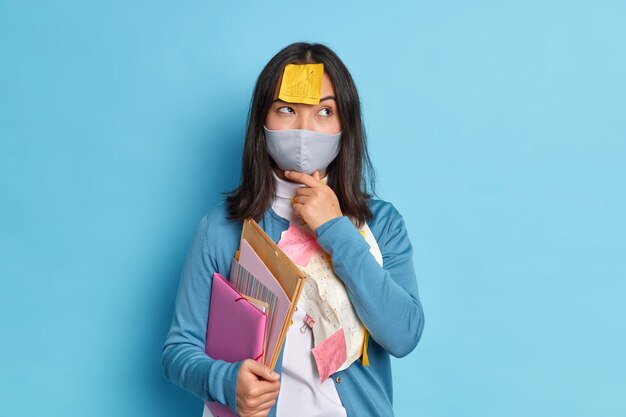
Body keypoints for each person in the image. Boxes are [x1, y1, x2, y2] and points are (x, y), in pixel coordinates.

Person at [162, 42, 425, 417]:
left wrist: (335, 228)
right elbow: (178, 350)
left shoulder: (380, 224)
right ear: (263, 122)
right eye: (287, 109)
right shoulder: (222, 227)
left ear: (344, 124)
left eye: (324, 111)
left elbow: (403, 335)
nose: (304, 129)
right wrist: (226, 381)